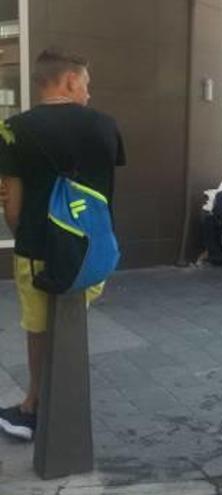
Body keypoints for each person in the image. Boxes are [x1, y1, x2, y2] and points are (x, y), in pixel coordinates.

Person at [0, 48, 125, 441]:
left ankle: (34, 407)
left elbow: (13, 208)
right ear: (70, 80)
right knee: (72, 322)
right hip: (93, 253)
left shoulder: (12, 129)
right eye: (86, 84)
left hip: (37, 253)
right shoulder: (106, 126)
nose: (88, 93)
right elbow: (105, 191)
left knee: (39, 328)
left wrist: (25, 231)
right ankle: (68, 407)